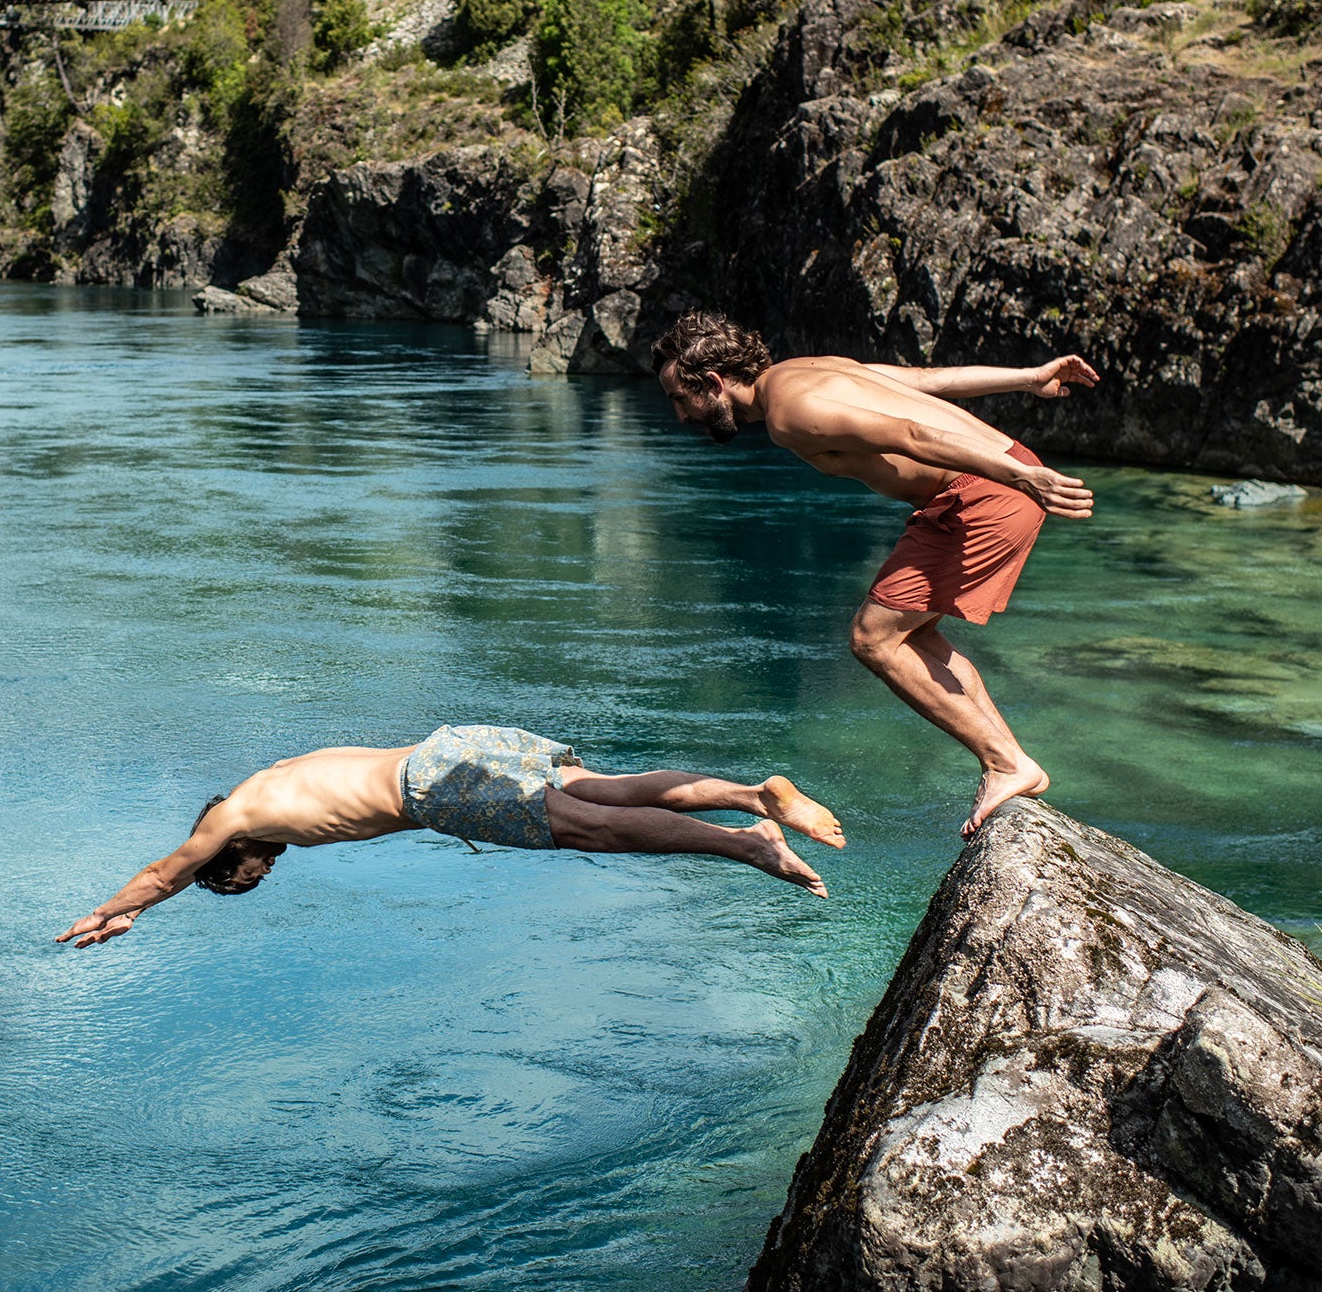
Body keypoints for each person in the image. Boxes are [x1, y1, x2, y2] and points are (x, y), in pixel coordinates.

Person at [651, 312, 1099, 835]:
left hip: (983, 491)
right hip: (993, 480)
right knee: (917, 639)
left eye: (680, 399)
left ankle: (1007, 763)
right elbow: (929, 381)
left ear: (712, 383)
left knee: (873, 639)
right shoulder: (805, 371)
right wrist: (1027, 377)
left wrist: (1023, 477)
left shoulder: (788, 414)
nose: (680, 416)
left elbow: (911, 433)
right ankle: (1005, 763)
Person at [55, 724, 847, 947]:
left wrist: (114, 911)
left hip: (436, 787)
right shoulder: (277, 772)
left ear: (230, 855)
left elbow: (166, 871)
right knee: (608, 788)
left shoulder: (236, 821)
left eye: (243, 877)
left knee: (595, 832)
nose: (262, 875)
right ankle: (754, 794)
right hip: (454, 744)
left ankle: (750, 845)